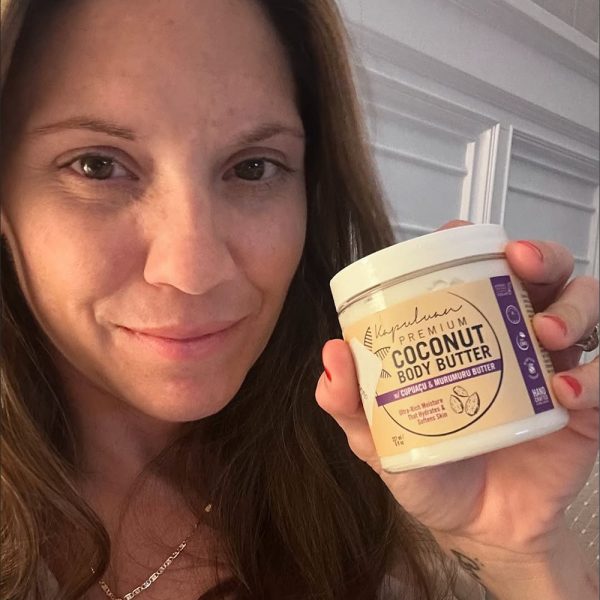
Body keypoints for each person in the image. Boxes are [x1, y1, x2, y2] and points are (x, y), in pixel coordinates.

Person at [0, 0, 598, 599]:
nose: (194, 271)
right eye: (97, 165)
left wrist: (521, 552)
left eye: (254, 167)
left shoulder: (383, 483)